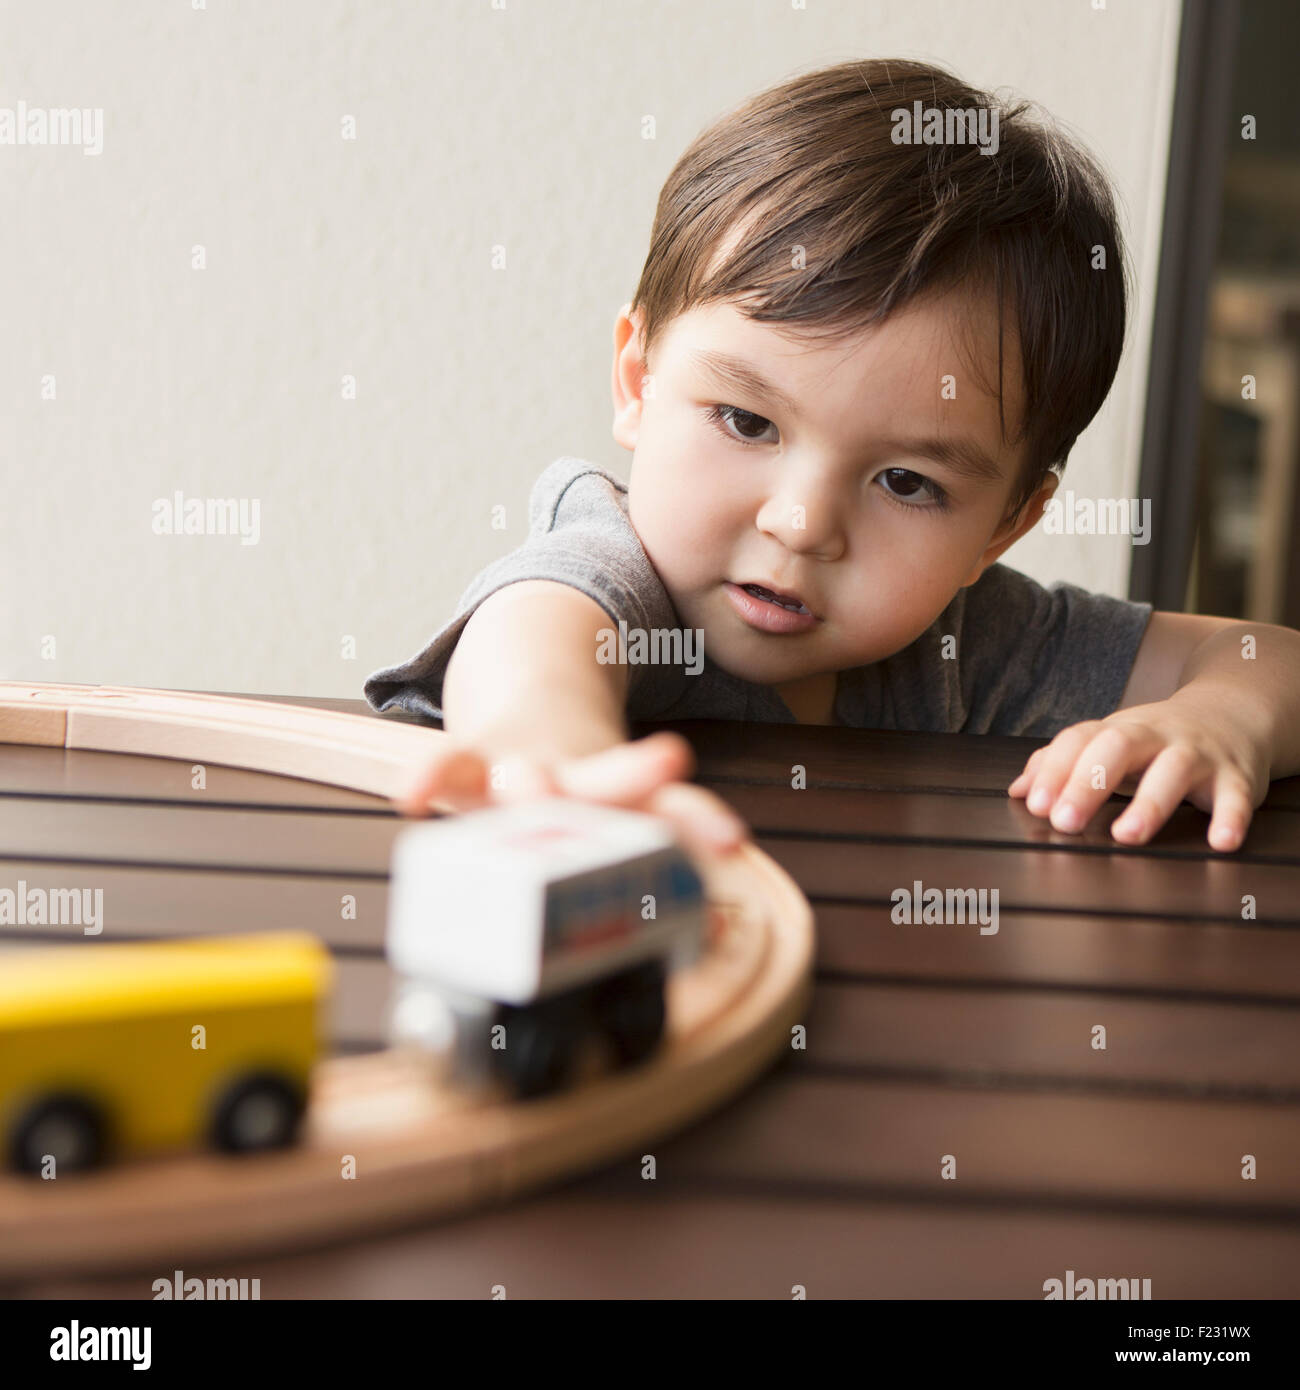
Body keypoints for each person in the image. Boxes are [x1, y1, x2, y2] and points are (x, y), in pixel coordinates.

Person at [365, 59, 1299, 861]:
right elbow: (535, 645)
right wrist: (552, 756)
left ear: (1007, 524)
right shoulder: (615, 570)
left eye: (906, 482)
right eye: (746, 422)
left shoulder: (966, 642)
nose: (801, 523)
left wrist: (1223, 719)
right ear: (638, 381)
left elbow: (1264, 656)